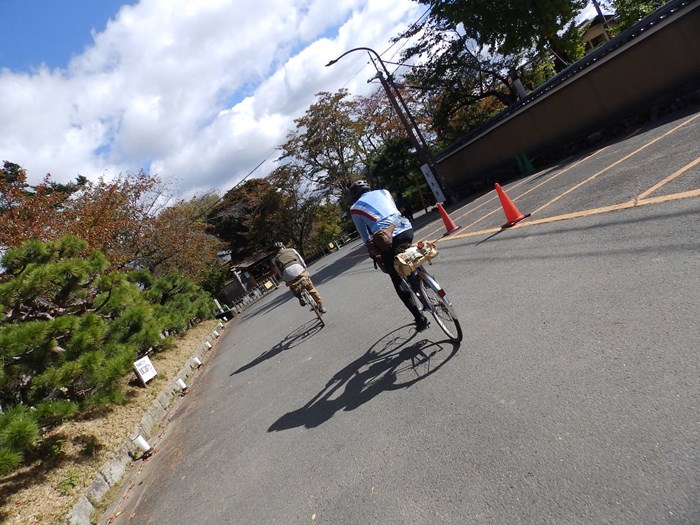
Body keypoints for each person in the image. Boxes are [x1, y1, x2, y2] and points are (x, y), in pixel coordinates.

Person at [348, 180, 429, 331]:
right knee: (408, 252)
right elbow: (393, 211)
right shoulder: (384, 192)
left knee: (396, 278)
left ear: (354, 196)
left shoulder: (355, 208)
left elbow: (365, 237)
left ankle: (420, 319)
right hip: (407, 229)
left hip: (388, 239)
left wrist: (373, 251)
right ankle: (424, 277)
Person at [271, 242, 326, 313]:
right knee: (310, 288)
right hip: (299, 269)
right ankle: (321, 306)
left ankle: (300, 298)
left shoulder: (275, 259)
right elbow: (301, 260)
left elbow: (279, 272)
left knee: (292, 287)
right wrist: (305, 270)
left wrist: (286, 280)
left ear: (275, 251)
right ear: (283, 246)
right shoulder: (292, 250)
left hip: (287, 275)